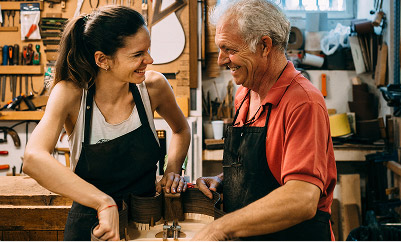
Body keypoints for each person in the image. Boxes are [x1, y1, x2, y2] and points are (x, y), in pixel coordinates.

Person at [23, 5, 191, 241]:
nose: (150, 60)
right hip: (92, 226)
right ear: (103, 60)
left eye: (148, 50)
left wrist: (172, 168)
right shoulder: (71, 95)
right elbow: (33, 159)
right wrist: (103, 203)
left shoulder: (153, 88)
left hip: (147, 220)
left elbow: (181, 129)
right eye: (137, 54)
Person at [194, 0, 337, 240]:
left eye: (229, 49)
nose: (220, 60)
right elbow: (262, 171)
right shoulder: (245, 94)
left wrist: (219, 227)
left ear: (264, 45)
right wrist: (224, 181)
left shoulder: (303, 102)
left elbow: (302, 198)